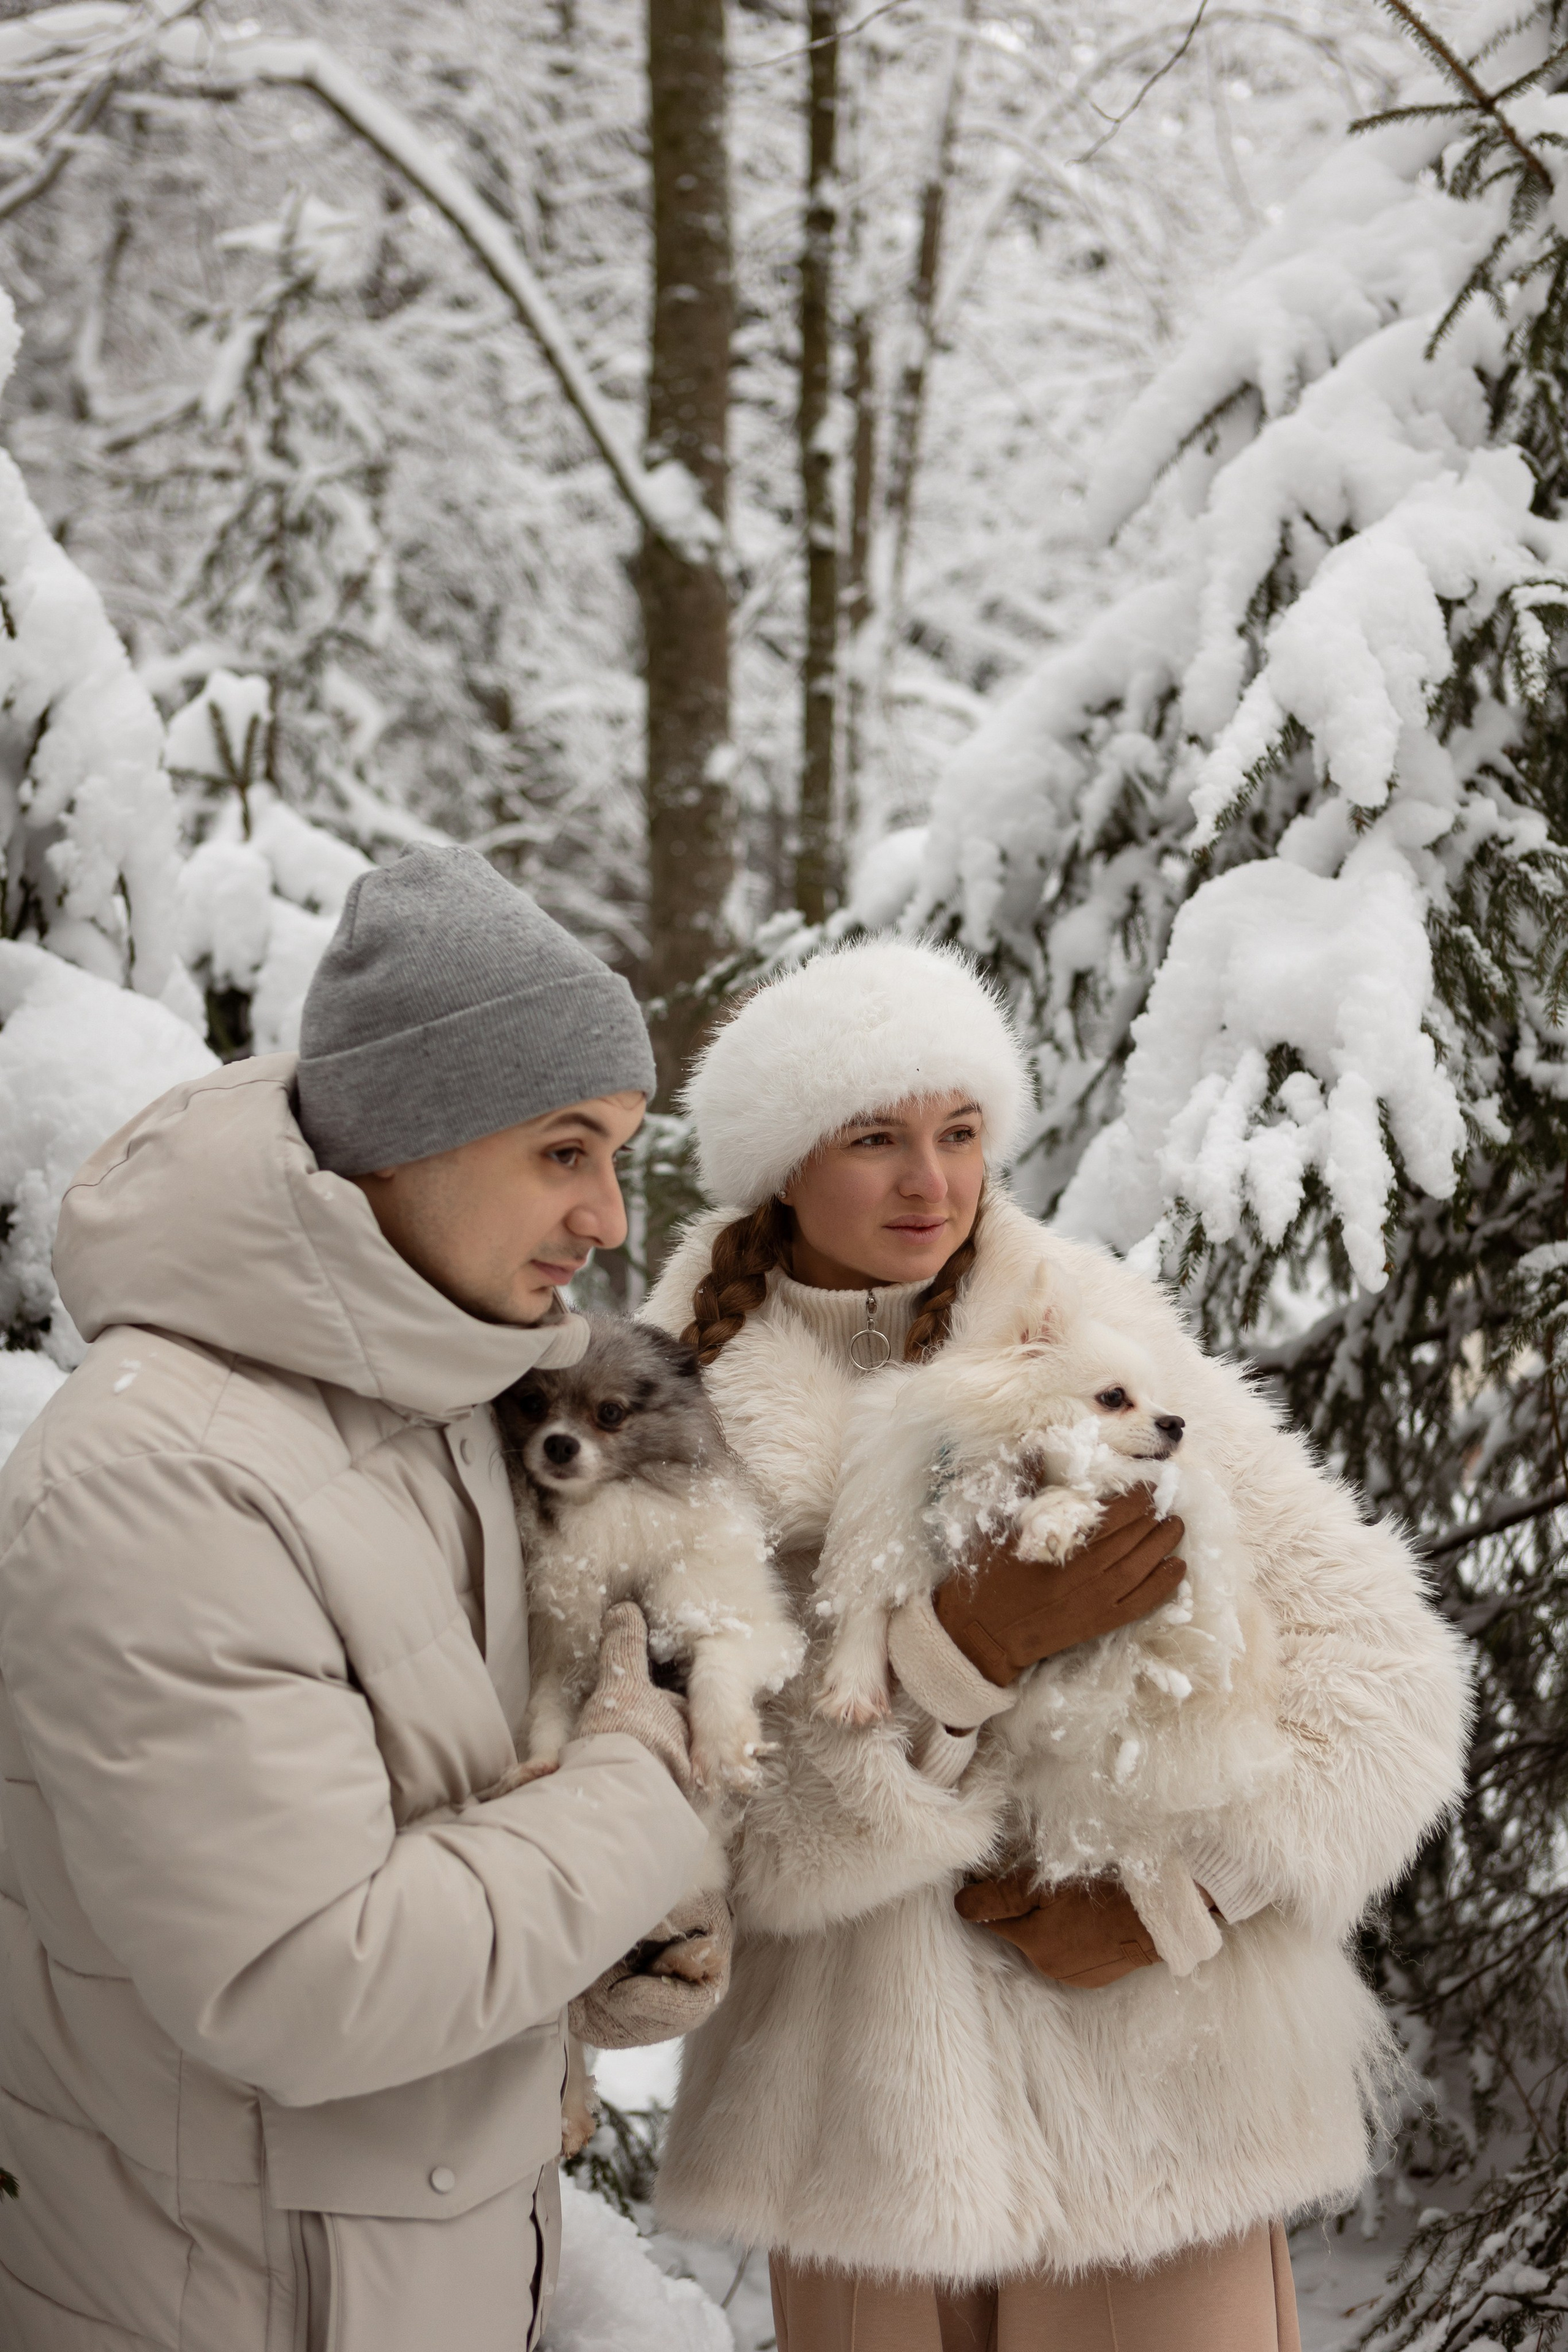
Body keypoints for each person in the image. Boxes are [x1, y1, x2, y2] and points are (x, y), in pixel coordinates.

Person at [646, 937, 1471, 2352]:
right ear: (784, 1164)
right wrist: (955, 1660)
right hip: (867, 2137)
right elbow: (705, 1827)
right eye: (874, 1140)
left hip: (1161, 2104)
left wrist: (1180, 1895)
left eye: (958, 1133)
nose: (931, 1182)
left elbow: (1382, 1667)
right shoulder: (669, 1411)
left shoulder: (1095, 1331)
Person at [0, 847, 724, 2352]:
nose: (606, 1217)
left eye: (618, 1155)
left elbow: (449, 1834)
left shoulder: (452, 1408)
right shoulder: (166, 1479)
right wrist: (641, 1794)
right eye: (564, 1149)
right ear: (411, 1134)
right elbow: (304, 1982)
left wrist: (596, 1967)